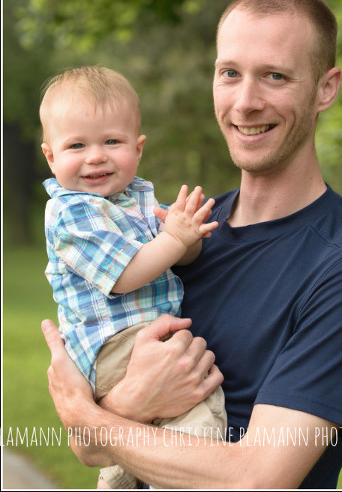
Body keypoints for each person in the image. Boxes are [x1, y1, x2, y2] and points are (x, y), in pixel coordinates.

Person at [41, 0, 342, 489]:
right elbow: (89, 450)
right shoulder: (180, 231)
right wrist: (129, 401)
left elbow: (257, 478)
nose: (245, 103)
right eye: (230, 74)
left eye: (275, 76)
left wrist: (87, 413)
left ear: (326, 89)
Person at [39, 66, 225, 489]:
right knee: (195, 412)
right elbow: (125, 274)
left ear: (137, 148)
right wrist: (174, 240)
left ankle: (119, 477)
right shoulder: (72, 212)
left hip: (134, 341)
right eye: (77, 145)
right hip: (113, 345)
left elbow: (176, 259)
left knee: (136, 441)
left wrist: (186, 235)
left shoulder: (136, 198)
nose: (96, 156)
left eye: (111, 141)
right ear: (51, 156)